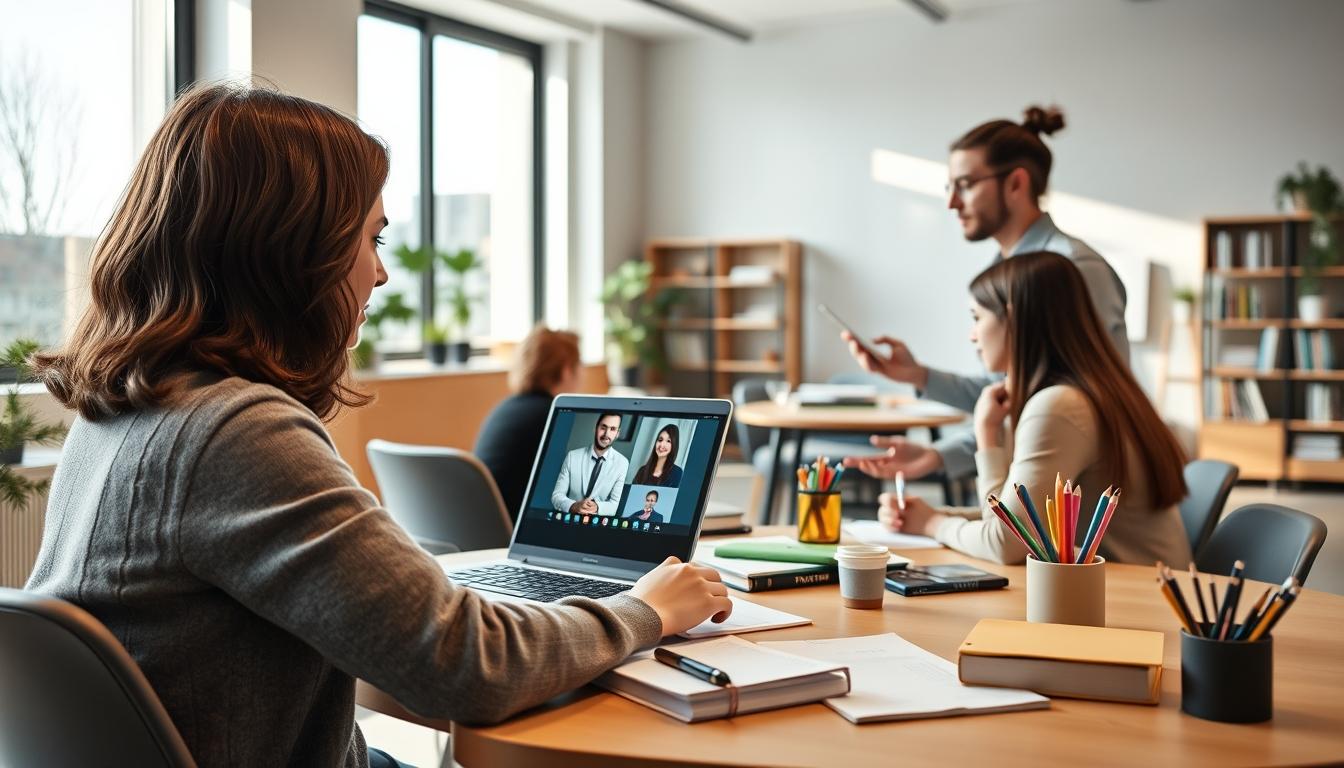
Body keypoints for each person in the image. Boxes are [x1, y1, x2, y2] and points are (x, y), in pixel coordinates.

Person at [24, 83, 731, 768]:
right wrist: (645, 610)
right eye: (372, 238)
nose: (381, 275)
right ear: (292, 251)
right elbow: (468, 669)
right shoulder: (235, 432)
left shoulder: (119, 414)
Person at [843, 105, 1129, 486]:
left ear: (1015, 184)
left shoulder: (1072, 271)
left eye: (965, 184)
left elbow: (1072, 415)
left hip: (1081, 501)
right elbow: (1009, 396)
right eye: (950, 187)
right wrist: (915, 376)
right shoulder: (1004, 270)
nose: (951, 202)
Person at [849, 252, 1190, 566]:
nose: (972, 335)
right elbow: (1022, 522)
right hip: (1133, 588)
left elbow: (1006, 542)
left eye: (976, 317)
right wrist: (931, 515)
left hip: (1132, 602)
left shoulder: (1059, 407)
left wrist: (985, 441)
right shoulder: (1094, 391)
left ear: (1013, 317)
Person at [474, 324, 581, 520]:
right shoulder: (553, 416)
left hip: (480, 530)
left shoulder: (502, 410)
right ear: (567, 370)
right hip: (518, 532)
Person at [550, 413, 630, 515]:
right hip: (567, 520)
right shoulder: (572, 456)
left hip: (597, 525)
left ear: (617, 434)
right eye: (603, 427)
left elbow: (614, 505)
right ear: (595, 428)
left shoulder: (622, 463)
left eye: (612, 429)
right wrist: (573, 506)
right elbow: (557, 496)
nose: (606, 434)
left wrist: (597, 507)